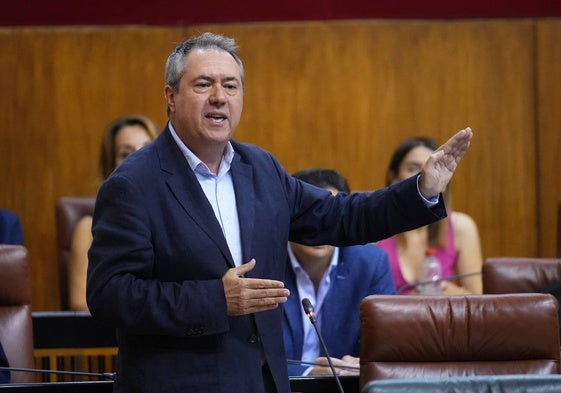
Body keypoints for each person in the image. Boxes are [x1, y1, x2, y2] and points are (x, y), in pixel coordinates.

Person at [86, 31, 473, 393]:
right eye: (203, 84)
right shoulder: (133, 184)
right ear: (171, 96)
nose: (219, 97)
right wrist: (215, 300)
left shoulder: (261, 169)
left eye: (231, 86)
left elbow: (341, 216)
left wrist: (422, 190)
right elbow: (109, 295)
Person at [282, 168, 395, 377]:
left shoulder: (370, 263)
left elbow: (387, 347)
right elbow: (251, 357)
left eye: (330, 217)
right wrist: (308, 373)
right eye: (310, 216)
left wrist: (360, 365)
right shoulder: (263, 263)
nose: (319, 229)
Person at [68, 115, 159, 311]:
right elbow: (80, 303)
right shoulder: (87, 227)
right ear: (111, 165)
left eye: (147, 148)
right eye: (126, 154)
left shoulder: (176, 217)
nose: (139, 159)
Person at [377, 136, 483, 295]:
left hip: (442, 318)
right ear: (393, 176)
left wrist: (440, 289)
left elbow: (477, 301)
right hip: (388, 319)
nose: (425, 175)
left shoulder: (461, 227)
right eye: (413, 168)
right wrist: (415, 296)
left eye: (433, 167)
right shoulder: (374, 225)